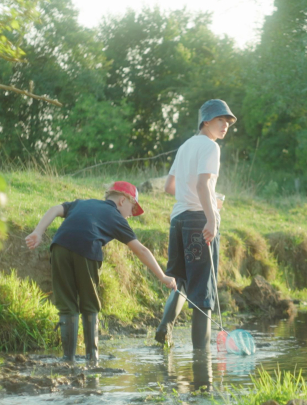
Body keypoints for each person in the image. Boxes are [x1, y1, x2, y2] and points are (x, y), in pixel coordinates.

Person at [26, 181, 177, 364]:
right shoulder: (116, 217)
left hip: (59, 246)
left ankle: (68, 360)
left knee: (67, 305)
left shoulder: (83, 203)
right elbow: (141, 250)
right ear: (122, 200)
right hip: (87, 247)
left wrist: (38, 232)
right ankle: (92, 358)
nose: (130, 215)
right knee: (90, 304)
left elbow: (56, 208)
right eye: (132, 208)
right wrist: (162, 276)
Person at [155, 99, 236, 350]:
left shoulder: (185, 146)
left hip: (178, 220)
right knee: (203, 289)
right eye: (220, 120)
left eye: (228, 121)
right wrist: (211, 216)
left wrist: (209, 198)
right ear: (206, 121)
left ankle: (164, 328)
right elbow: (202, 185)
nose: (225, 125)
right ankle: (202, 357)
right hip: (199, 221)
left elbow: (170, 187)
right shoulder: (211, 147)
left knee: (182, 280)